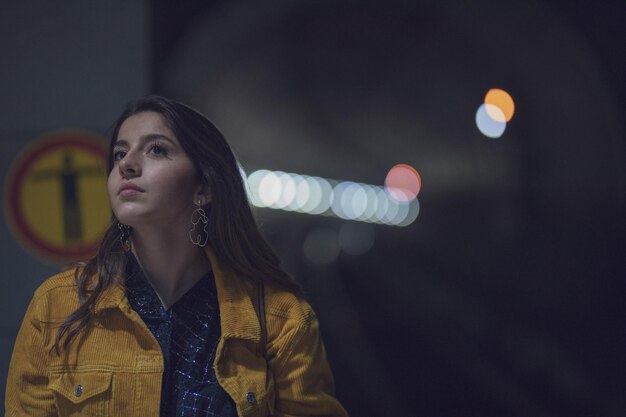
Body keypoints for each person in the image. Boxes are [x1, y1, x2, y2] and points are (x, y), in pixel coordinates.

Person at [6, 95, 348, 417]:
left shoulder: (278, 318)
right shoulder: (58, 305)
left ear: (204, 187)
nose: (127, 165)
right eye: (119, 154)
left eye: (156, 150)